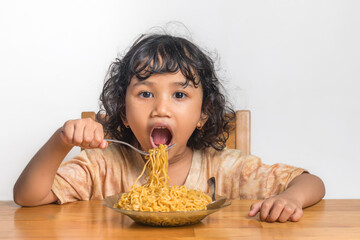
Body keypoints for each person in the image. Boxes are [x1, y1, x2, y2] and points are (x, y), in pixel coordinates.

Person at [13, 32, 325, 223]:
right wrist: (61, 140)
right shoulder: (103, 166)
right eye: (145, 93)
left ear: (203, 114)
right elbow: (28, 196)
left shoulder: (225, 167)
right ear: (123, 113)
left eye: (179, 94)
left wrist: (290, 200)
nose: (161, 108)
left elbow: (310, 182)